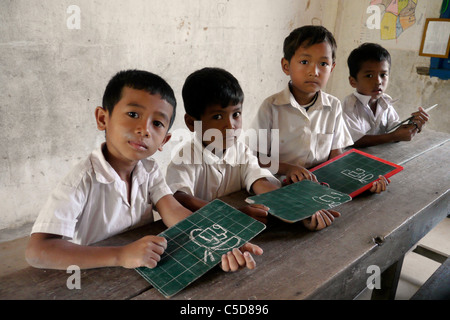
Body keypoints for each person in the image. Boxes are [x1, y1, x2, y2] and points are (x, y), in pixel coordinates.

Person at [25, 69, 261, 272]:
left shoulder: (149, 170)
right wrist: (121, 255)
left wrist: (220, 242)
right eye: (133, 114)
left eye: (157, 123)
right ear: (102, 118)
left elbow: (174, 211)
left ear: (164, 141)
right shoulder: (82, 180)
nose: (144, 129)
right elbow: (38, 251)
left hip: (144, 264)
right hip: (96, 271)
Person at [166, 67, 340, 230]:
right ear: (191, 123)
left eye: (236, 114)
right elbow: (179, 198)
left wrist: (298, 209)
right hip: (200, 233)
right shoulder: (185, 158)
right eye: (217, 116)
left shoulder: (242, 151)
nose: (230, 125)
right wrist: (230, 214)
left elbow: (260, 182)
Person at [251, 26, 388, 194]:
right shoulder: (271, 107)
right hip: (278, 184)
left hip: (320, 184)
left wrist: (362, 179)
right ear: (286, 66)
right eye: (304, 62)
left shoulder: (334, 106)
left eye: (323, 64)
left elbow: (336, 154)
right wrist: (289, 169)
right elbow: (258, 158)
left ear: (332, 68)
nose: (314, 72)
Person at [342, 42, 429, 148]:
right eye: (369, 75)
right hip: (354, 160)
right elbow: (355, 140)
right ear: (353, 81)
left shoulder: (385, 102)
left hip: (379, 156)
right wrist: (393, 136)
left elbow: (394, 128)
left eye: (383, 75)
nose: (378, 81)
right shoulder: (348, 106)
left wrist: (413, 125)